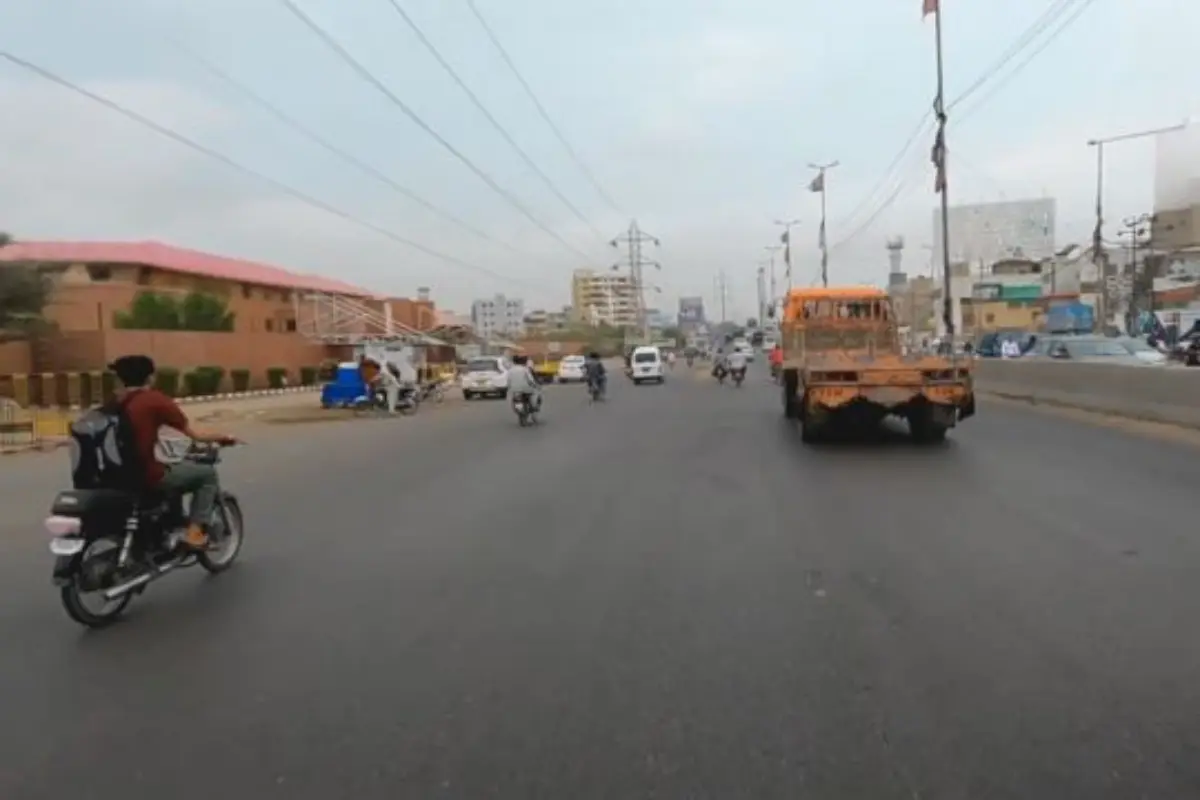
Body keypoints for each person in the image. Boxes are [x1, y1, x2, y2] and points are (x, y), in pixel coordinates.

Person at [109, 355, 237, 552]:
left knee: (174, 471)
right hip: (146, 474)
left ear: (120, 379)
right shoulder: (155, 400)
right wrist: (224, 437)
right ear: (150, 378)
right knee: (206, 475)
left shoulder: (114, 404)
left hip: (114, 475)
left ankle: (171, 523)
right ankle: (195, 534)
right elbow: (196, 435)